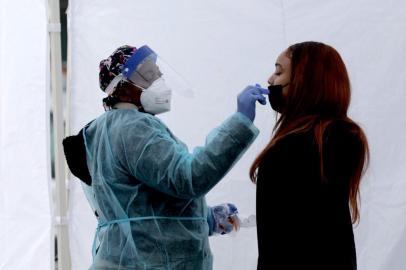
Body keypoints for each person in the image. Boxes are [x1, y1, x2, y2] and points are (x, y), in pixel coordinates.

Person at [63, 45, 269, 269]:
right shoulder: (133, 128)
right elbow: (189, 178)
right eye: (150, 75)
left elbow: (140, 203)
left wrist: (204, 219)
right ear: (122, 90)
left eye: (159, 73)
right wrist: (240, 122)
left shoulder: (102, 130)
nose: (160, 81)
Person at [251, 41, 369, 270]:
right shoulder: (346, 138)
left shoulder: (291, 149)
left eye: (279, 71)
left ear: (305, 81)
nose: (270, 80)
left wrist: (239, 124)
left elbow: (280, 244)